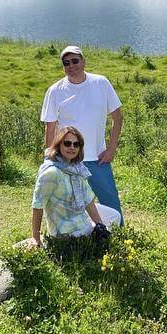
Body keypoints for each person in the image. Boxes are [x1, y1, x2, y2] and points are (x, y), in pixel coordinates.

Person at [40, 46, 123, 220]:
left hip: (98, 158)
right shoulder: (55, 91)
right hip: (67, 160)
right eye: (66, 63)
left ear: (84, 61)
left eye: (75, 61)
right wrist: (50, 157)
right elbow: (50, 127)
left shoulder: (101, 83)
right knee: (68, 205)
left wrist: (111, 149)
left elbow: (117, 117)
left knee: (111, 203)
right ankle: (74, 242)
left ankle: (119, 239)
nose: (71, 66)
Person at [30, 125, 121, 245]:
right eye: (67, 143)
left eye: (76, 144)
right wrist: (35, 238)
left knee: (115, 216)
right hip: (65, 227)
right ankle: (85, 249)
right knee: (93, 229)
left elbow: (87, 200)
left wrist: (100, 225)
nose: (72, 147)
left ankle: (96, 244)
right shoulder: (51, 172)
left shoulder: (77, 168)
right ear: (58, 145)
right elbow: (38, 205)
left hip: (77, 213)